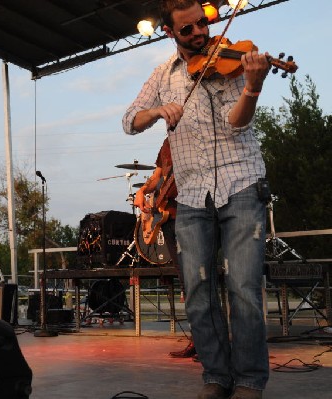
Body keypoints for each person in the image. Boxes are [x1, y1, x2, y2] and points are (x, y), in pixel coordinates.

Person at [122, 1, 271, 398]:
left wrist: (253, 86)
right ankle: (216, 376)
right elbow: (129, 121)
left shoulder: (230, 60)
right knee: (199, 293)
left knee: (243, 288)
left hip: (241, 183)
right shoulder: (163, 74)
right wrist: (156, 111)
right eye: (187, 30)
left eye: (202, 25)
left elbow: (237, 120)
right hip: (190, 194)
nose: (200, 35)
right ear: (170, 32)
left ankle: (250, 380)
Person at [134, 137, 195, 359]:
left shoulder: (196, 137)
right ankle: (199, 339)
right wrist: (142, 190)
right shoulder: (168, 143)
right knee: (185, 280)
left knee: (199, 278)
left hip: (191, 215)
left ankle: (209, 342)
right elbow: (157, 176)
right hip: (168, 219)